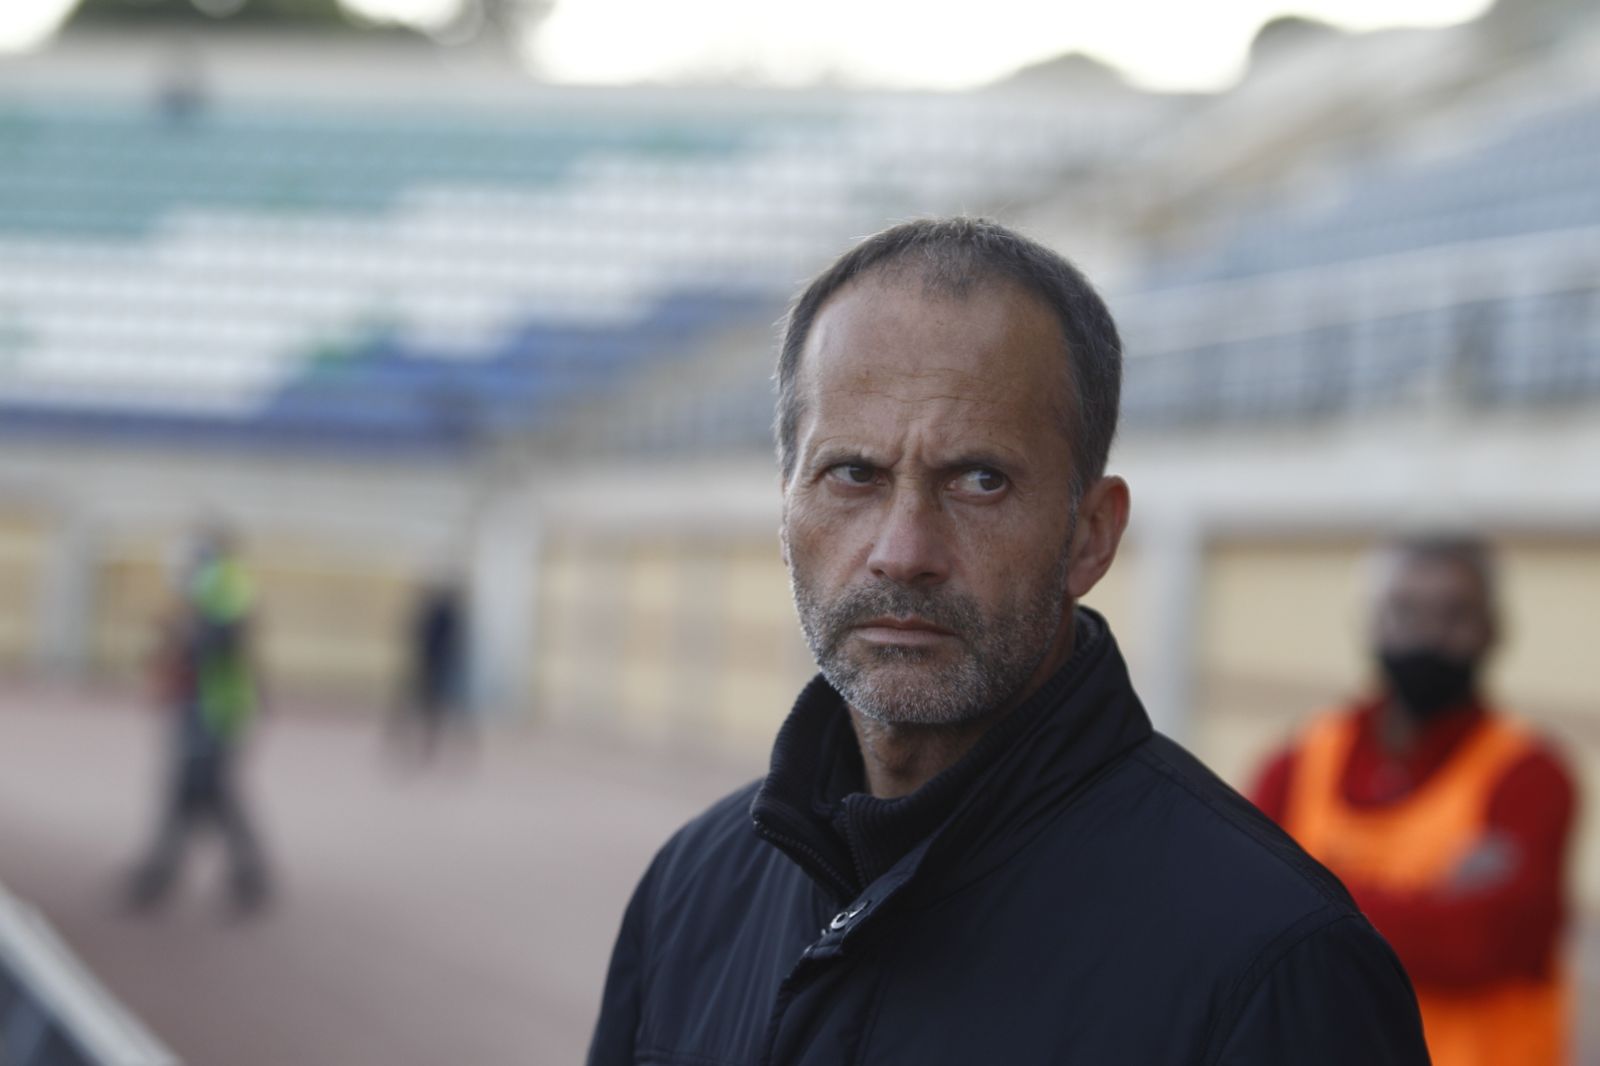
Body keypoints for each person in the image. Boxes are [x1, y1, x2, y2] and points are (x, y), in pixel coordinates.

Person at [587, 218, 1429, 1065]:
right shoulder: (688, 891)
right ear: (786, 509)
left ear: (1091, 536)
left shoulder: (1276, 964)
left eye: (980, 480)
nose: (902, 552)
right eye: (854, 475)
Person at [1250, 534, 1578, 1066]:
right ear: (1370, 624)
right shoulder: (1297, 764)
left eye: (1454, 615)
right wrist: (1431, 903)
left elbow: (1484, 941)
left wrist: (1310, 900)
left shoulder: (1531, 777)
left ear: (1494, 630)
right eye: (1405, 611)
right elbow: (1246, 912)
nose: (1427, 636)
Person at [126, 525, 273, 916]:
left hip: (215, 709)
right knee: (197, 794)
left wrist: (179, 638)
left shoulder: (222, 586)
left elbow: (219, 641)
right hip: (209, 707)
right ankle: (163, 876)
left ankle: (165, 877)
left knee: (205, 794)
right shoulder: (219, 586)